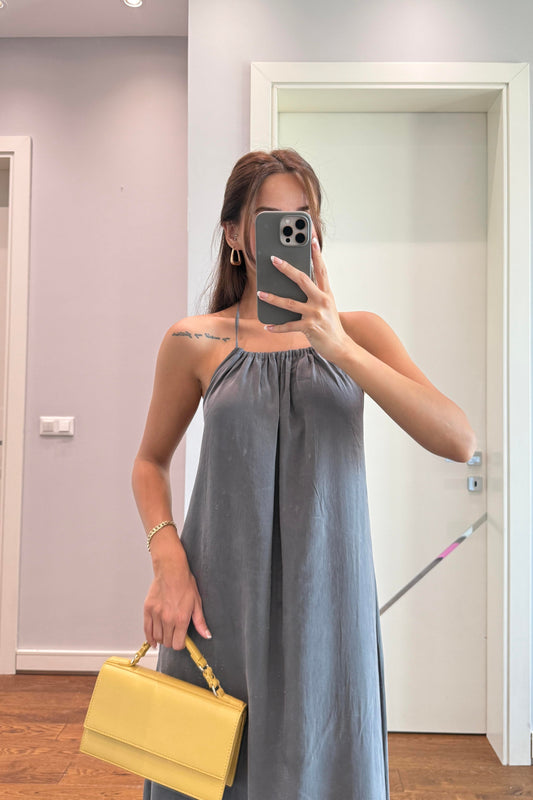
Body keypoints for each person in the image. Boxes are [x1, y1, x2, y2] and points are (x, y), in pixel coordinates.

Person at [132, 148, 476, 800]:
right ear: (235, 234)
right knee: (206, 778)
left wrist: (338, 345)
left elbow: (457, 438)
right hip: (215, 606)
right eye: (270, 219)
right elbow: (149, 462)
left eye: (302, 218)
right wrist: (167, 560)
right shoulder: (194, 340)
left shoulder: (361, 333)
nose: (290, 232)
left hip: (329, 609)